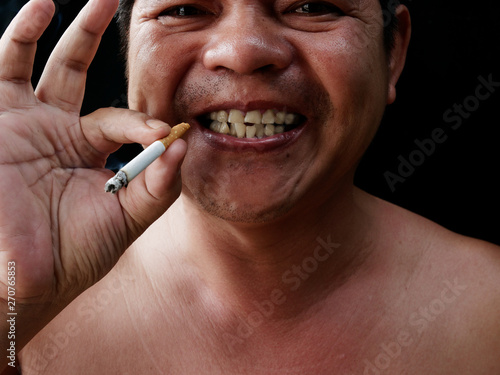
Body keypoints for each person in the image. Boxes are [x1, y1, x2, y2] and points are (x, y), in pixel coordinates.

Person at [0, 0, 499, 373]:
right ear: (128, 52)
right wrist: (10, 308)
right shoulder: (23, 317)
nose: (241, 52)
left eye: (312, 5)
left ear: (392, 52)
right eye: (185, 7)